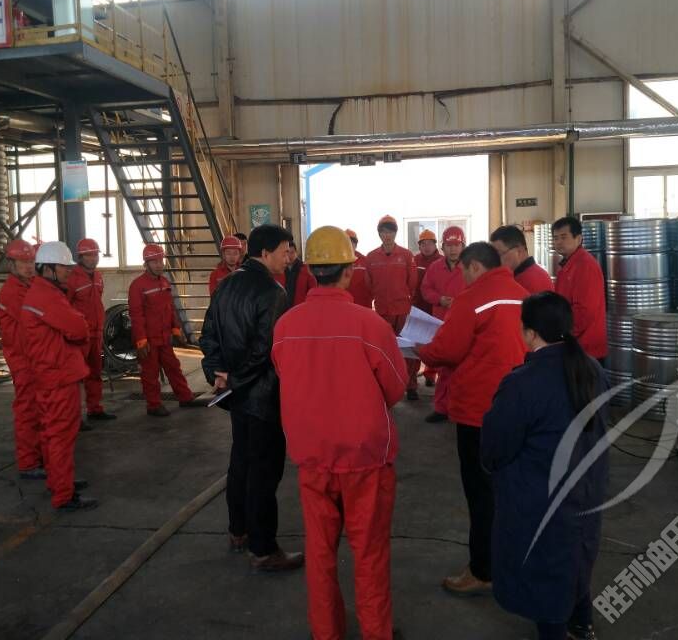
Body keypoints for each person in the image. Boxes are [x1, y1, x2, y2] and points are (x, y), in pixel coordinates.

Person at [272, 226, 407, 640]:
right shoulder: (370, 325)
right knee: (369, 554)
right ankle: (376, 632)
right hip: (365, 459)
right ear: (349, 271)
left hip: (312, 458)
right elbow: (395, 388)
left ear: (310, 271)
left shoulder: (286, 326)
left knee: (320, 553)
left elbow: (285, 375)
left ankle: (326, 632)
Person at [479, 291, 607, 640]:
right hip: (587, 490)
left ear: (530, 333)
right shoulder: (592, 369)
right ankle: (582, 624)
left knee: (545, 576)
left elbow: (495, 446)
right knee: (576, 559)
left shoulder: (523, 382)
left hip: (539, 499)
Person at [416, 242, 527, 596]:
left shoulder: (472, 299)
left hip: (479, 409)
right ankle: (512, 559)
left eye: (464, 270)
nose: (462, 277)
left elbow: (447, 350)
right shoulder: (522, 295)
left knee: (481, 493)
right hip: (517, 406)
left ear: (475, 267)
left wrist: (419, 349)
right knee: (509, 488)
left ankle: (482, 569)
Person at [200, 224, 305, 573]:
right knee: (263, 472)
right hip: (263, 396)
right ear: (266, 253)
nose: (289, 257)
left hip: (237, 397)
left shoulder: (226, 284)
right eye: (285, 251)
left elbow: (208, 335)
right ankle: (263, 549)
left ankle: (238, 531)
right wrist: (236, 379)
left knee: (240, 463)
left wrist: (219, 374)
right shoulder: (273, 292)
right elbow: (265, 351)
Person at [20, 241, 96, 511]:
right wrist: (78, 330)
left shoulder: (47, 292)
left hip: (52, 374)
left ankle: (58, 482)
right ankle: (64, 495)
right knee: (61, 435)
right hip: (58, 376)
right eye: (64, 267)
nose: (68, 271)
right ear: (48, 268)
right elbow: (78, 328)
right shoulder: (47, 296)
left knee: (53, 433)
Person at [0, 239, 44, 479]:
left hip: (36, 358)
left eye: (31, 261)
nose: (28, 266)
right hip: (23, 361)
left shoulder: (32, 285)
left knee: (41, 408)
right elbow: (40, 318)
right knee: (27, 410)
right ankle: (28, 462)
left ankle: (40, 454)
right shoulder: (12, 292)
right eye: (23, 262)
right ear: (11, 264)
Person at [128, 244, 195, 416]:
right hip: (148, 340)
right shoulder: (137, 286)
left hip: (164, 338)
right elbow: (136, 315)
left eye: (161, 261)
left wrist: (176, 330)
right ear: (146, 264)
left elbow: (170, 309)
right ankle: (153, 405)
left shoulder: (164, 282)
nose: (159, 265)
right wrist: (141, 341)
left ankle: (185, 397)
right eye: (155, 262)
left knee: (174, 368)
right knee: (150, 374)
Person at [365, 215, 419, 401]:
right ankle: (385, 385)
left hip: (402, 310)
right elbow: (369, 284)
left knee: (408, 350)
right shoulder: (371, 257)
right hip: (382, 311)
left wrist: (402, 298)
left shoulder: (406, 255)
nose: (387, 235)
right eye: (383, 232)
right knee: (384, 350)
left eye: (390, 232)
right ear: (379, 234)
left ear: (395, 233)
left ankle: (411, 386)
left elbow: (412, 282)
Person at [419, 226, 467, 424]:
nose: (453, 249)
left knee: (462, 368)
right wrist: (439, 299)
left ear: (463, 246)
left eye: (456, 245)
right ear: (443, 247)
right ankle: (441, 408)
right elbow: (425, 289)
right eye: (449, 245)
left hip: (464, 324)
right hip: (439, 323)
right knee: (443, 367)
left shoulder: (471, 267)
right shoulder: (435, 268)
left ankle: (460, 407)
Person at [66, 238, 115, 422]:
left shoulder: (98, 276)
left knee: (95, 372)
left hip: (96, 333)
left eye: (95, 255)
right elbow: (65, 307)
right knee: (76, 375)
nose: (93, 258)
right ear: (80, 257)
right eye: (89, 255)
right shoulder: (71, 278)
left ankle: (95, 409)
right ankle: (74, 417)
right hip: (80, 336)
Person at [552, 216, 607, 363]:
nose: (558, 242)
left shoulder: (584, 266)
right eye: (555, 238)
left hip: (585, 349)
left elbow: (584, 311)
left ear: (579, 239)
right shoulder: (568, 265)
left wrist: (563, 335)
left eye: (564, 237)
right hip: (574, 345)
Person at [413, 229, 442, 390]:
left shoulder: (441, 261)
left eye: (429, 243)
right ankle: (413, 375)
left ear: (435, 245)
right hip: (418, 306)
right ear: (419, 246)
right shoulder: (415, 260)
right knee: (416, 342)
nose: (426, 247)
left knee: (434, 342)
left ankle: (430, 374)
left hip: (436, 308)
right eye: (423, 244)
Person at [489, 225, 553, 295]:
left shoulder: (528, 280)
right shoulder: (532, 273)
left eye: (498, 255)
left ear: (519, 251)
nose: (494, 261)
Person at [283, 240, 317, 309]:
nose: (290, 256)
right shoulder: (280, 269)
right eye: (287, 253)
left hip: (302, 307)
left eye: (292, 253)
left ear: (296, 252)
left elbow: (313, 288)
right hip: (284, 308)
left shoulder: (306, 269)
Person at [345, 229, 373, 308]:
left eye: (352, 242)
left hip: (363, 305)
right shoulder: (337, 262)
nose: (349, 245)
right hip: (345, 304)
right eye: (346, 243)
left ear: (356, 244)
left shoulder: (365, 260)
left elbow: (373, 283)